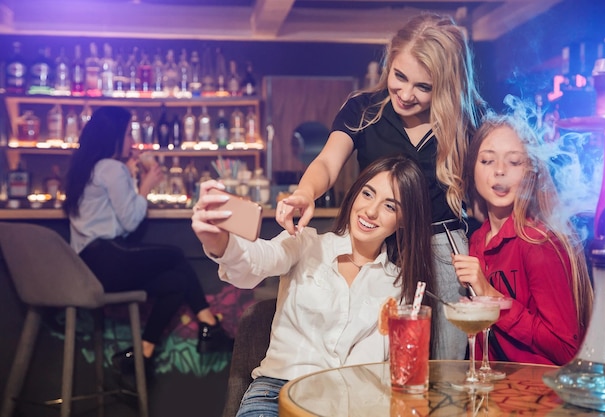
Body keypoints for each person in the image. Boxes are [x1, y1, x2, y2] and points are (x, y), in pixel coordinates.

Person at [276, 12, 487, 359]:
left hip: (439, 249)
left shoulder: (467, 121)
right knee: (371, 364)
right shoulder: (364, 110)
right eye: (399, 76)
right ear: (389, 62)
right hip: (374, 245)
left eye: (423, 87)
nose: (405, 94)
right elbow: (328, 163)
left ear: (446, 85)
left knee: (441, 367)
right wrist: (304, 192)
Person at [192, 155, 434, 417]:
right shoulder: (306, 243)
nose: (371, 211)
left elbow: (385, 372)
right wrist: (219, 243)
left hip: (349, 406)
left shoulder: (400, 286)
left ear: (403, 220)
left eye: (390, 206)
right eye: (367, 194)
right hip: (276, 396)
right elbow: (257, 262)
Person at [62, 106, 231, 374]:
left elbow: (120, 224)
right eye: (128, 133)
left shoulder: (89, 167)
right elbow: (130, 222)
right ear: (115, 136)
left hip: (89, 264)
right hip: (105, 258)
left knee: (176, 283)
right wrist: (146, 185)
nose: (132, 140)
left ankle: (144, 351)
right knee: (175, 255)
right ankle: (209, 324)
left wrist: (130, 178)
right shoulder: (111, 168)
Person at [452, 108, 594, 366]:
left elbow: (567, 349)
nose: (499, 171)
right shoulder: (476, 242)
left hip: (539, 396)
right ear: (472, 168)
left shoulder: (538, 243)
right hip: (496, 395)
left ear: (531, 171)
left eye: (514, 162)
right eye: (487, 161)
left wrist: (492, 298)